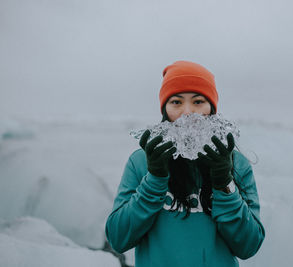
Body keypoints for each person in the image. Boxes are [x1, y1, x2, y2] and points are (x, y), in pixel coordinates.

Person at [105, 61, 265, 267]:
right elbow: (118, 239)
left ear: (212, 109)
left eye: (198, 101)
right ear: (164, 110)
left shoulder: (235, 163)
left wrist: (224, 184)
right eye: (176, 102)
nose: (187, 112)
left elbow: (249, 246)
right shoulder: (141, 161)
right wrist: (154, 179)